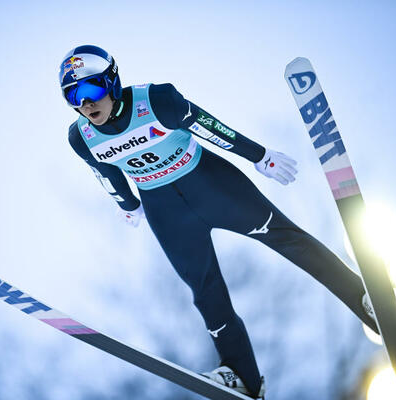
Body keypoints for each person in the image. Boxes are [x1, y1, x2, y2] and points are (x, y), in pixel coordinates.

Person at [59, 45, 378, 399]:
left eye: (91, 89)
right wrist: (129, 205)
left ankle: (363, 298)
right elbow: (106, 173)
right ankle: (244, 376)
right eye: (73, 96)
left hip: (213, 186)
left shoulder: (157, 100)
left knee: (287, 238)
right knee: (205, 291)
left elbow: (211, 128)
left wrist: (260, 156)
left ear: (112, 82)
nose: (85, 104)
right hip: (167, 212)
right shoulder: (81, 136)